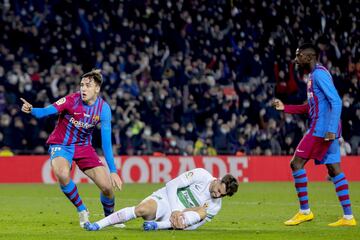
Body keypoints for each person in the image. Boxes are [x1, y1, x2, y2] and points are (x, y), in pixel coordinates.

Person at [20, 69, 123, 228]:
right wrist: (32, 109)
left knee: (107, 188)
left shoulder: (103, 109)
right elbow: (46, 112)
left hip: (84, 147)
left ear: (97, 89)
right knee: (62, 173)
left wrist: (113, 171)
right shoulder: (71, 100)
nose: (83, 89)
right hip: (61, 144)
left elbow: (106, 144)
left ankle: (110, 218)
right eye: (82, 85)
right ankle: (82, 210)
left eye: (88, 86)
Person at [272, 43, 356, 227]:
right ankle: (349, 217)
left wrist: (331, 129)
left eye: (298, 55)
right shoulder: (315, 75)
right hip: (327, 130)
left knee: (296, 163)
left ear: (309, 57)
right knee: (334, 169)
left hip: (321, 130)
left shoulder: (318, 75)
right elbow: (307, 108)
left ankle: (305, 211)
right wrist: (285, 107)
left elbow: (336, 101)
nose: (296, 59)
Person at [83, 168, 238, 231]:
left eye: (222, 195)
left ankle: (157, 226)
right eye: (218, 190)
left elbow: (196, 225)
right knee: (141, 210)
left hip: (180, 216)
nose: (217, 195)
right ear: (218, 180)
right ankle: (99, 224)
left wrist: (178, 224)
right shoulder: (201, 175)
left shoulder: (216, 205)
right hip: (166, 200)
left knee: (203, 212)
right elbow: (171, 185)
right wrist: (175, 209)